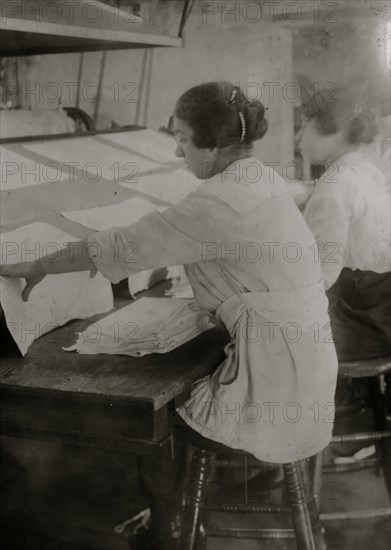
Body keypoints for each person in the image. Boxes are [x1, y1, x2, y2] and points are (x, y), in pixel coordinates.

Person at [0, 82, 338, 549]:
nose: (176, 151)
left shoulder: (217, 203)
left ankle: (166, 527)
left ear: (215, 145)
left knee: (154, 414)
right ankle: (175, 507)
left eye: (181, 138)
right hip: (309, 362)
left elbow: (122, 244)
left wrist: (38, 263)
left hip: (277, 375)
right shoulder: (257, 177)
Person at [298, 88, 391, 360]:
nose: (298, 138)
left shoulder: (334, 183)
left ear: (336, 130)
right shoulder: (368, 171)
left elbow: (320, 277)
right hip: (383, 309)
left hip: (366, 321)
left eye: (305, 127)